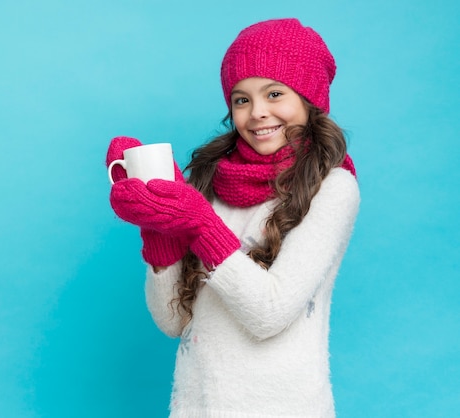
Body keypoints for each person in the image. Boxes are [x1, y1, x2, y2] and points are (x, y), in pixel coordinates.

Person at [106, 17, 359, 417]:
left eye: (274, 93)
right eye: (241, 99)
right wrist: (158, 231)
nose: (257, 112)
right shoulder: (210, 180)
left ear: (309, 99)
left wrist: (200, 224)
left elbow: (269, 313)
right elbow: (172, 321)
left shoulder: (333, 187)